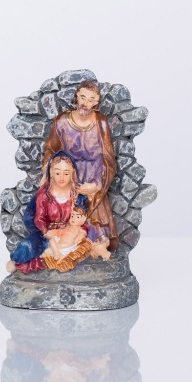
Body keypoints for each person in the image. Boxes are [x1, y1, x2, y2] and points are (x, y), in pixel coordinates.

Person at [42, 81, 118, 258]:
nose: (85, 103)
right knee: (64, 221)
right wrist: (53, 174)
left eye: (91, 100)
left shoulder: (101, 123)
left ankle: (92, 248)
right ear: (76, 97)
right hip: (68, 178)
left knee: (98, 230)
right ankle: (65, 250)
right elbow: (51, 150)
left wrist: (97, 185)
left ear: (96, 103)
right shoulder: (62, 122)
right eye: (83, 97)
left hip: (94, 177)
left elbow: (108, 158)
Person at [6, 151, 87, 274]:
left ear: (72, 173)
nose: (61, 178)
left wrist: (80, 232)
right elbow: (39, 218)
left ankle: (50, 261)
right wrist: (47, 233)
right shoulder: (44, 195)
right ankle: (20, 261)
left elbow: (82, 217)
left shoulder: (77, 196)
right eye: (57, 173)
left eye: (66, 173)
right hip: (47, 234)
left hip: (69, 233)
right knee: (27, 246)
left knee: (76, 248)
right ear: (51, 173)